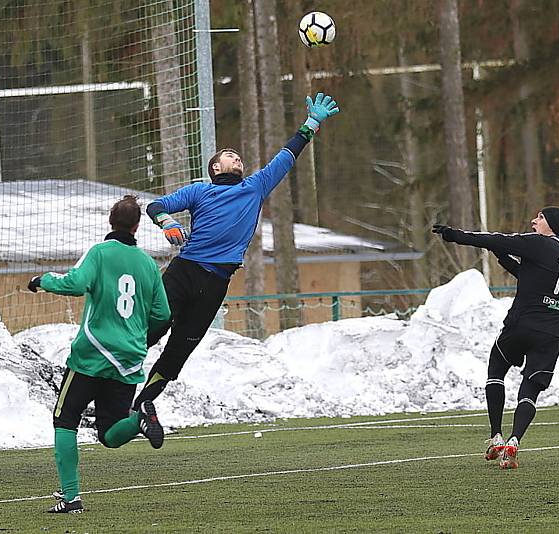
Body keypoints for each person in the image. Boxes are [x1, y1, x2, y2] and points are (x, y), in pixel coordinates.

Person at [131, 92, 341, 411]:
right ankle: (105, 389)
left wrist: (311, 123)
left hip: (216, 283)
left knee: (179, 350)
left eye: (239, 157)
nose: (237, 159)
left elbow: (286, 157)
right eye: (230, 156)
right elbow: (156, 205)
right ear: (215, 167)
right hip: (184, 271)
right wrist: (167, 222)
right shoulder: (200, 190)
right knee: (148, 332)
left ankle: (143, 403)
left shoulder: (254, 188)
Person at [27, 195, 171, 513]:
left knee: (65, 421)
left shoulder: (99, 253)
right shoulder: (148, 264)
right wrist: (136, 334)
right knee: (110, 432)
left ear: (110, 222)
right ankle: (139, 420)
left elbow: (76, 284)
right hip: (128, 359)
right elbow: (163, 313)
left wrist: (43, 281)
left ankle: (71, 498)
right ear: (136, 226)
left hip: (92, 353)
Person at [432, 206, 559, 469]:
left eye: (541, 217)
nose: (534, 220)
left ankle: (496, 436)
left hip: (522, 325)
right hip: (553, 332)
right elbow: (527, 275)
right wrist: (499, 254)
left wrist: (456, 235)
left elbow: (496, 238)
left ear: (552, 225)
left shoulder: (537, 243)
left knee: (496, 368)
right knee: (531, 388)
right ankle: (515, 441)